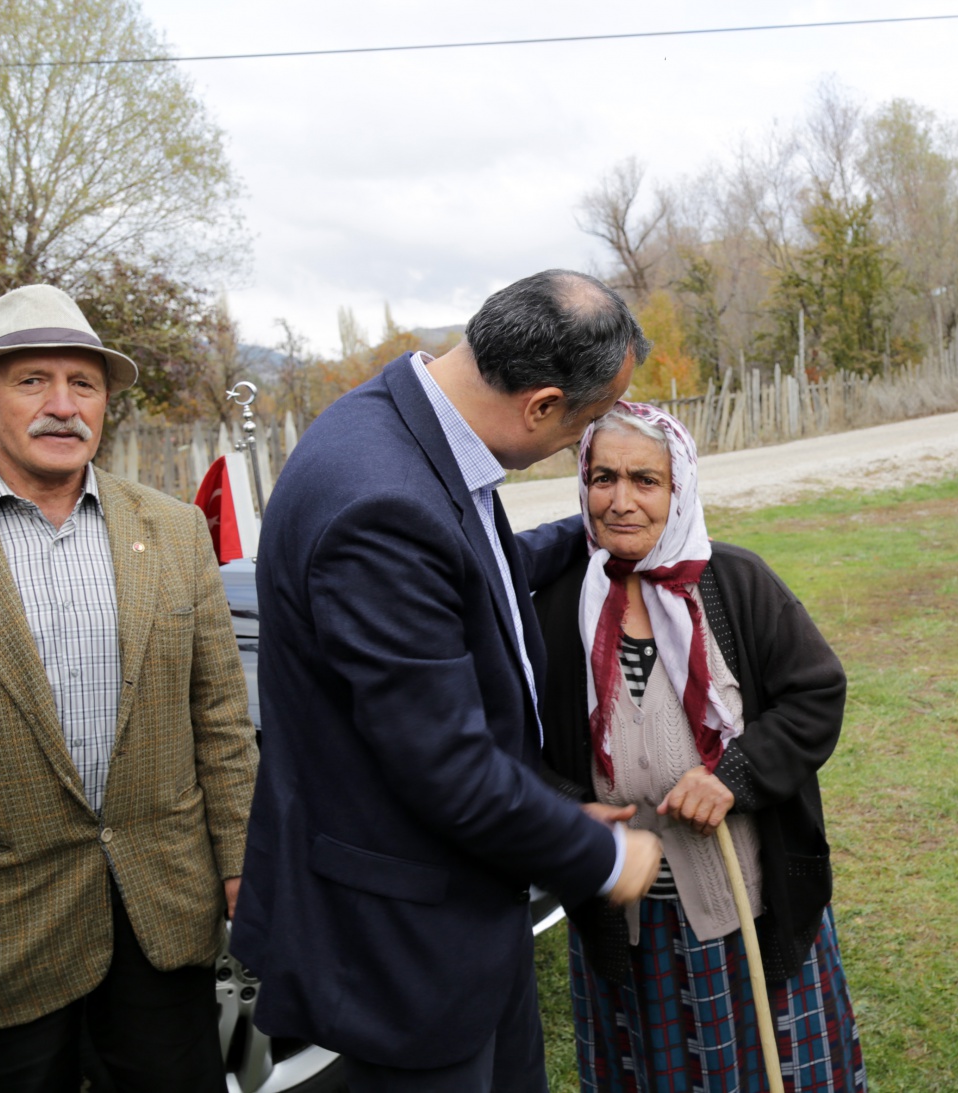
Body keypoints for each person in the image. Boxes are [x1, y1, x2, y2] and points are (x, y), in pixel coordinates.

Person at [231, 271, 665, 1093]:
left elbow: (476, 581)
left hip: (467, 906)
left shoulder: (412, 426)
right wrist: (602, 854)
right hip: (402, 936)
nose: (583, 446)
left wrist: (596, 527)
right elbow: (446, 765)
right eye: (586, 424)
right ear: (541, 404)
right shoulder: (380, 500)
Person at [0, 284, 258, 1091]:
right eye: (33, 380)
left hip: (162, 922)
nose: (63, 406)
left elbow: (219, 721)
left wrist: (246, 867)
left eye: (85, 384)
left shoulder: (174, 529)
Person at [534, 402, 866, 1093]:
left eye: (645, 480)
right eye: (603, 478)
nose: (621, 500)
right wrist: (569, 809)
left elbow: (816, 694)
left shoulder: (735, 583)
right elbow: (515, 743)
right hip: (625, 911)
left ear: (679, 487)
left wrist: (730, 774)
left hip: (744, 901)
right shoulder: (559, 601)